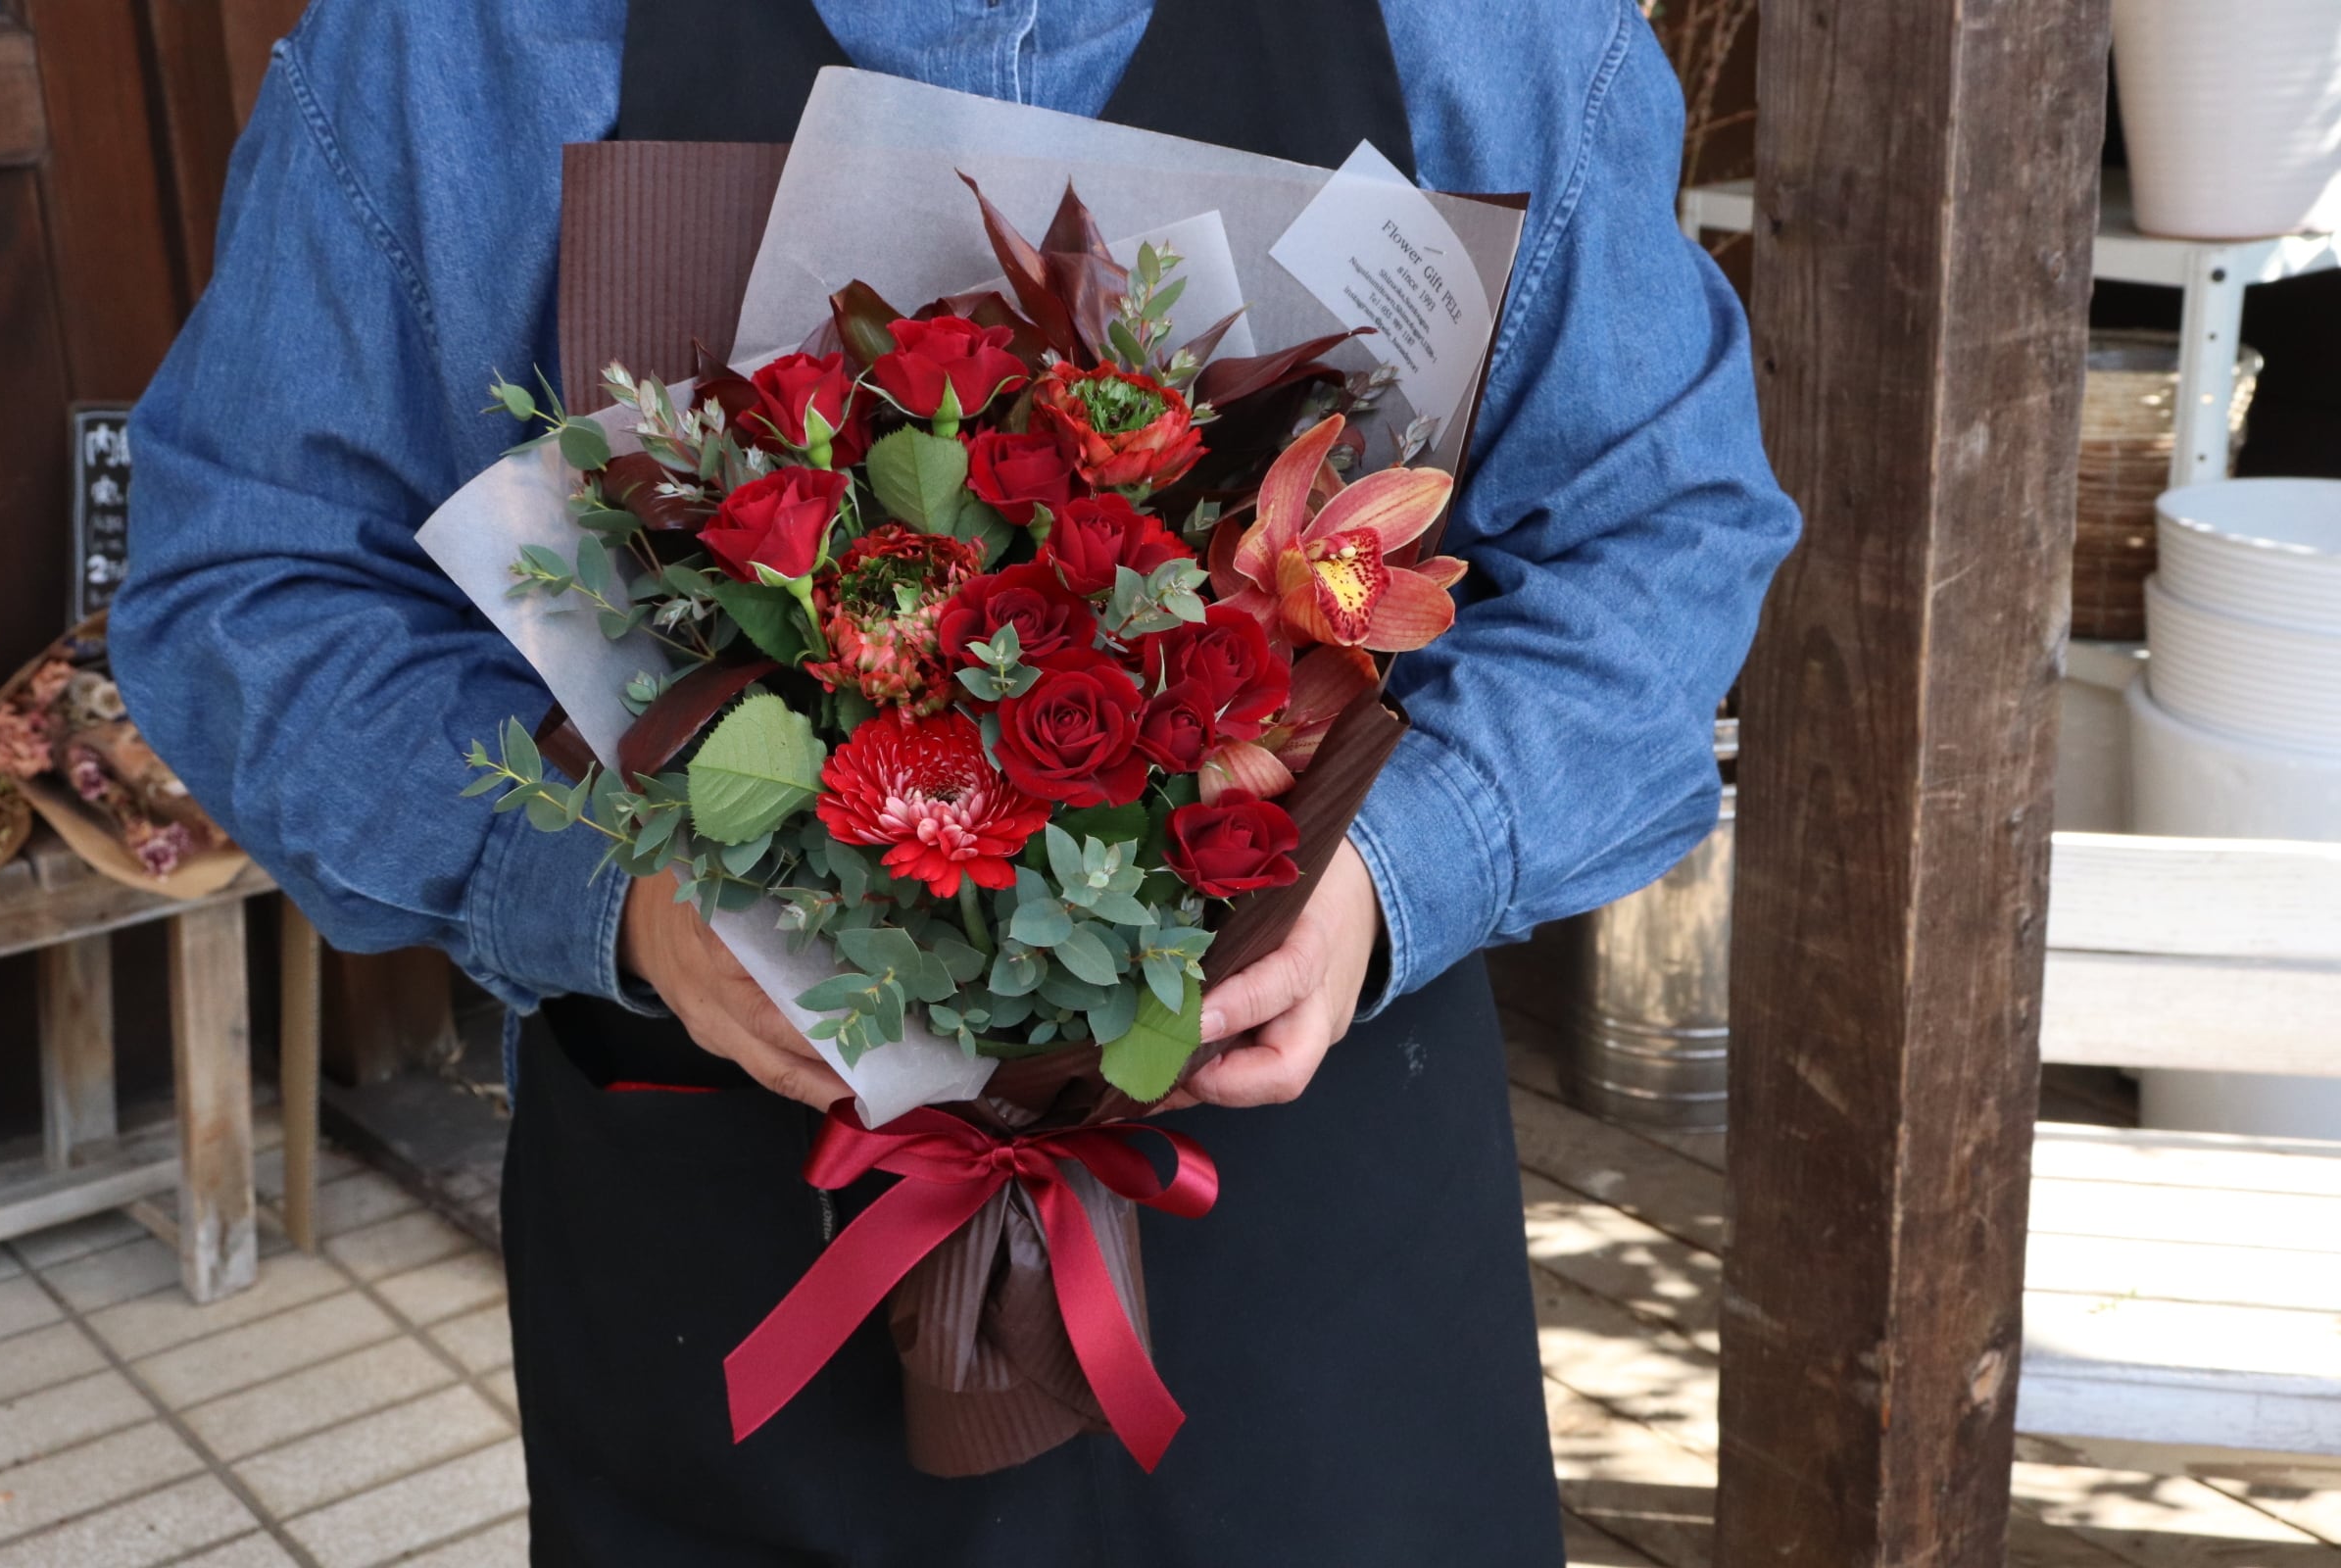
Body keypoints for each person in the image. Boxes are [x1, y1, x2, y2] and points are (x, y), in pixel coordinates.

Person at [113, 0, 1797, 1562]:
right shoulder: (458, 41)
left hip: (1311, 1249)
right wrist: (605, 887)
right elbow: (251, 581)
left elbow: (1663, 532)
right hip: (726, 1242)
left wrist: (1395, 863)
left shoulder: (1489, 30)